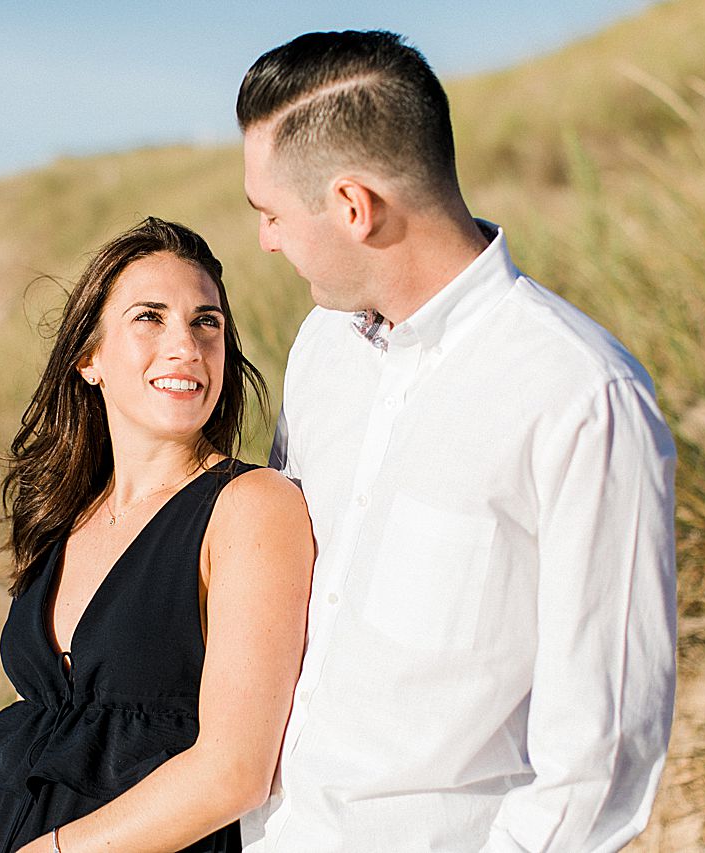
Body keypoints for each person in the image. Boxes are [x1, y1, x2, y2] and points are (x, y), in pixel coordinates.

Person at [235, 30, 677, 852]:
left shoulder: (580, 397)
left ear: (353, 207)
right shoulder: (319, 350)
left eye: (271, 213)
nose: (265, 239)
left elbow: (604, 752)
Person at [0, 217, 313, 853]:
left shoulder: (249, 507)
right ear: (90, 357)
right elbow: (30, 745)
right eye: (150, 317)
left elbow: (234, 772)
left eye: (207, 321)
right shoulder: (66, 513)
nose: (185, 345)